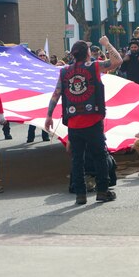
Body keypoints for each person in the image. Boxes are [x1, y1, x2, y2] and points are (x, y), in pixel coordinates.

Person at [44, 37, 121, 204]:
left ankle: (80, 194)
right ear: (87, 54)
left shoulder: (64, 71)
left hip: (73, 123)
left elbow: (56, 94)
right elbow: (117, 60)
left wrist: (49, 115)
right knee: (99, 156)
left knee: (77, 159)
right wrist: (107, 44)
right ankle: (102, 191)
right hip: (92, 120)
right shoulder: (93, 66)